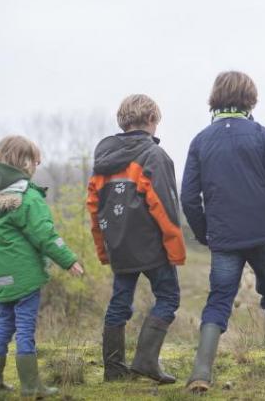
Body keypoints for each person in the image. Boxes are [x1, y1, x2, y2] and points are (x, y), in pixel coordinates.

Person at [181, 71, 265, 393]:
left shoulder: (201, 141)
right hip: (263, 233)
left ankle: (201, 372)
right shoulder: (262, 135)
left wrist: (205, 233)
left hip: (224, 237)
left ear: (215, 98)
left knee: (218, 299)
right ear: (250, 98)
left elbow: (189, 197)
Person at [0, 135, 84, 398]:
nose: (37, 165)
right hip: (25, 277)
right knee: (24, 328)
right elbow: (45, 235)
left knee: (3, 325)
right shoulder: (27, 197)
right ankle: (32, 386)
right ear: (23, 161)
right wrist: (69, 260)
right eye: (34, 160)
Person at [86, 94, 186, 384]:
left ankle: (114, 370)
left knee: (119, 302)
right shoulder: (155, 156)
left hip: (118, 245)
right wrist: (176, 251)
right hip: (152, 246)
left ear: (123, 121)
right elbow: (165, 209)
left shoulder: (102, 159)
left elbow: (93, 205)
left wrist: (103, 248)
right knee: (168, 297)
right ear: (152, 120)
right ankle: (145, 361)